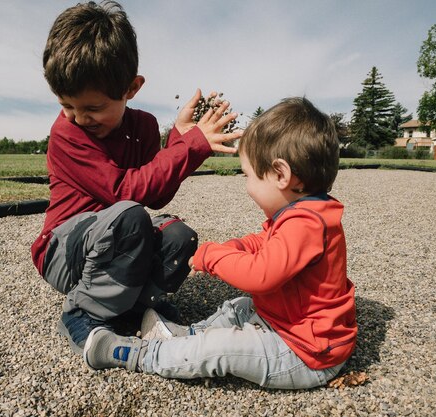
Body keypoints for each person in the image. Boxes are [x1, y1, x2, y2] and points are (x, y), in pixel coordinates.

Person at [83, 97, 358, 390]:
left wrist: (213, 257)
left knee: (220, 347)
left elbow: (261, 276)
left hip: (304, 353)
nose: (247, 185)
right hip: (287, 325)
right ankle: (186, 335)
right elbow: (264, 242)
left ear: (281, 175)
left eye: (249, 176)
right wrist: (236, 246)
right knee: (240, 307)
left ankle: (138, 354)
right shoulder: (308, 213)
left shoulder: (306, 224)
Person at [31, 0, 241, 355]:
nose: (79, 117)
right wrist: (191, 146)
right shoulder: (67, 134)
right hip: (63, 250)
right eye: (66, 105)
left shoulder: (143, 126)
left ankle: (135, 305)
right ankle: (82, 312)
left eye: (93, 108)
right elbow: (125, 191)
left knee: (177, 236)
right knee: (130, 217)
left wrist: (178, 136)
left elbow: (154, 193)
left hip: (116, 235)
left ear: (132, 88)